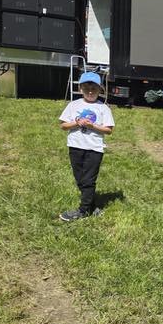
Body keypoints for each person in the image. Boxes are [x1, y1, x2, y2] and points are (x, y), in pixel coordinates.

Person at [58, 71, 114, 221]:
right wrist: (77, 123)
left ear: (100, 90)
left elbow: (108, 130)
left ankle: (83, 211)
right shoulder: (73, 105)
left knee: (88, 180)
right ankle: (92, 205)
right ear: (80, 89)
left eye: (94, 89)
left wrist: (92, 126)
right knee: (80, 179)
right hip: (75, 147)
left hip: (94, 149)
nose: (90, 92)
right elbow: (63, 125)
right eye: (86, 89)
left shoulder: (103, 108)